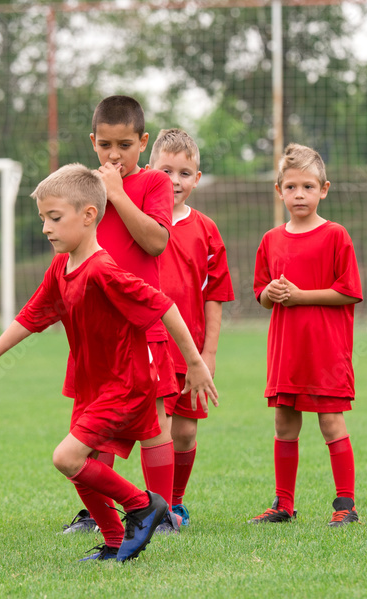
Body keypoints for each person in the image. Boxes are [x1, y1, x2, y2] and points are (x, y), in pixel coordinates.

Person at [0, 164, 219, 562]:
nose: (46, 227)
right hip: (92, 387)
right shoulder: (62, 267)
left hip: (125, 385)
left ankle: (144, 505)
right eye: (43, 218)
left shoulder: (103, 270)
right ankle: (116, 542)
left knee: (67, 457)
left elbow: (163, 306)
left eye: (55, 217)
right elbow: (31, 315)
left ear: (88, 215)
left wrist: (196, 363)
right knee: (85, 464)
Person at [61, 95, 181, 535]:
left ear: (143, 143)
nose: (114, 155)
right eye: (106, 145)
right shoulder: (81, 186)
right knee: (95, 422)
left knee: (155, 422)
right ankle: (99, 514)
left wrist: (116, 194)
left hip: (142, 328)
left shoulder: (154, 185)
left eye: (125, 146)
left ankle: (162, 513)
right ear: (93, 141)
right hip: (93, 334)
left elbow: (155, 242)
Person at [251, 143, 363, 527]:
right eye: (292, 187)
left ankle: (345, 506)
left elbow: (348, 291)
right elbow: (262, 296)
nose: (300, 194)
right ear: (279, 190)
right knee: (285, 424)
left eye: (309, 187)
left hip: (326, 352)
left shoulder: (336, 235)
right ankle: (283, 505)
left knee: (331, 423)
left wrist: (299, 296)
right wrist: (273, 294)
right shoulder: (270, 240)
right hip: (286, 352)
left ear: (324, 189)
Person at [147, 128, 235, 528]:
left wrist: (208, 354)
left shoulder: (206, 229)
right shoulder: (142, 224)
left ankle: (176, 502)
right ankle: (156, 509)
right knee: (156, 430)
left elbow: (214, 295)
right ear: (150, 171)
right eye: (165, 171)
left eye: (184, 173)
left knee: (184, 433)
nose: (174, 181)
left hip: (190, 353)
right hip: (149, 347)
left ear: (197, 179)